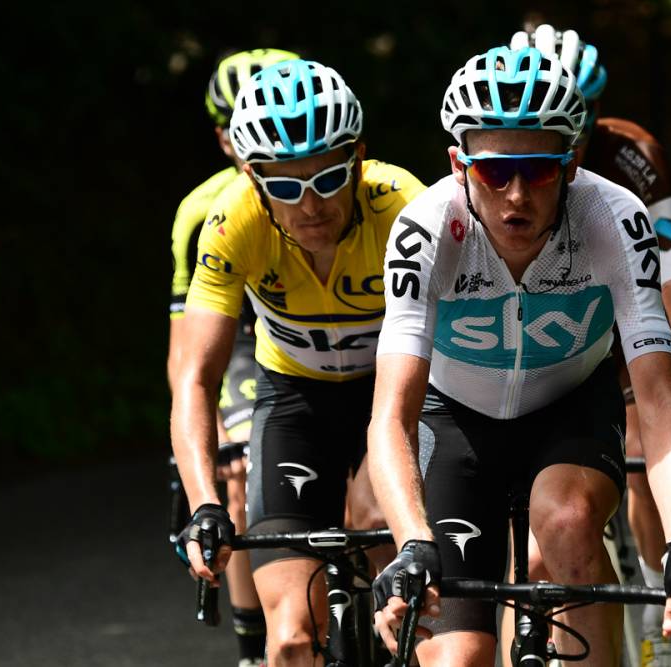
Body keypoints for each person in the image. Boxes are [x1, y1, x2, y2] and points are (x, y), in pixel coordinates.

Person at [368, 45, 671, 667]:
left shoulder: (615, 217)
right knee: (459, 659)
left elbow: (658, 396)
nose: (516, 195)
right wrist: (411, 544)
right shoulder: (424, 230)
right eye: (493, 173)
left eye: (537, 171)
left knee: (567, 520)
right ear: (458, 164)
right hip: (455, 421)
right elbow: (391, 415)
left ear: (572, 163)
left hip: (570, 407)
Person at [171, 58, 425, 666]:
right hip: (295, 398)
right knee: (287, 639)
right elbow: (196, 378)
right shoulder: (231, 222)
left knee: (379, 534)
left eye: (328, 179)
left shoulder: (404, 207)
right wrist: (205, 503)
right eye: (285, 187)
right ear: (253, 178)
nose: (310, 205)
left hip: (393, 393)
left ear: (358, 158)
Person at [510, 24, 671, 666]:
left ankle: (665, 615)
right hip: (545, 357)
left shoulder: (629, 157)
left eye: (583, 114)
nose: (568, 131)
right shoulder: (504, 173)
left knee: (650, 465)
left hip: (625, 348)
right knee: (534, 555)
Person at [168, 47, 299, 667]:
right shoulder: (204, 212)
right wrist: (212, 436)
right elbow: (186, 350)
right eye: (230, 127)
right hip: (244, 342)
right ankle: (253, 645)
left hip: (320, 337)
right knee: (243, 472)